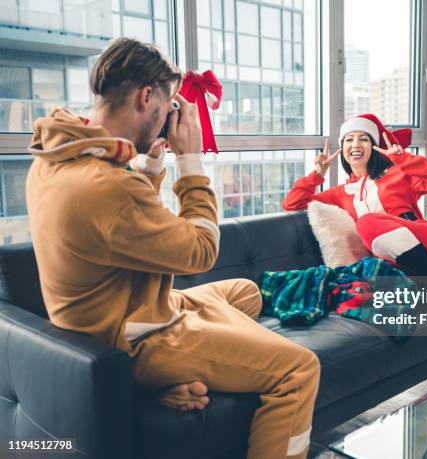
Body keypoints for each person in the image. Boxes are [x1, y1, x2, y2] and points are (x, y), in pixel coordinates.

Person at [26, 37, 319, 459]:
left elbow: (121, 231)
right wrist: (190, 160)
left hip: (127, 310)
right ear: (147, 97)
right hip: (136, 339)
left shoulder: (58, 159)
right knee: (299, 367)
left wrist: (153, 162)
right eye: (167, 108)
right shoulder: (107, 186)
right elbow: (200, 252)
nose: (169, 117)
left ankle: (208, 365)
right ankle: (178, 373)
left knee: (247, 293)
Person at [283, 113, 427, 275]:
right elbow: (292, 204)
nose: (355, 144)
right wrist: (317, 174)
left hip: (425, 242)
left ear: (374, 146)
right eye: (349, 140)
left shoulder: (398, 174)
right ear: (343, 149)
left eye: (364, 139)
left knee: (366, 223)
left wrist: (404, 160)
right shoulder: (339, 193)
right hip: (390, 265)